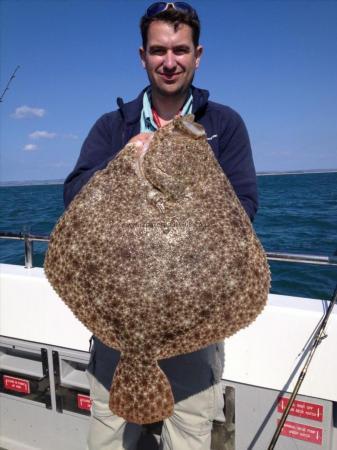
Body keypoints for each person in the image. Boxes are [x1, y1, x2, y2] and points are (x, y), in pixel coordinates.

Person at [64, 2, 258, 449]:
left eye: (180, 50)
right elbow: (72, 198)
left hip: (193, 327)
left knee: (188, 438)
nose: (169, 61)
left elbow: (244, 208)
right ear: (143, 56)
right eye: (158, 50)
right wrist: (123, 160)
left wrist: (190, 188)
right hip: (118, 324)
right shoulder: (113, 127)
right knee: (108, 438)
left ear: (197, 54)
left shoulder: (223, 126)